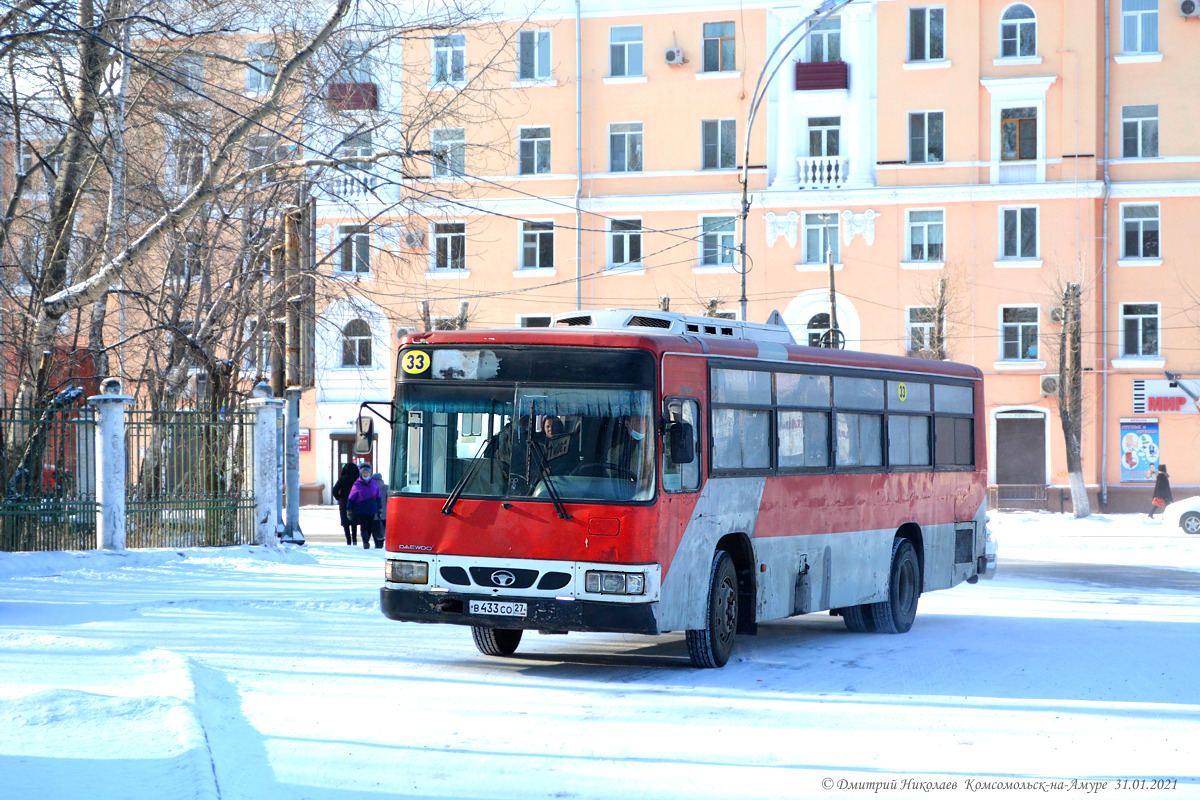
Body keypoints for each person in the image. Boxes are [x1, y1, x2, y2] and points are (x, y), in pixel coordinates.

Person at [348, 463, 383, 548]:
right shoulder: (357, 484)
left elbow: (378, 496)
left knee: (370, 526)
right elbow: (351, 497)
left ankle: (367, 539)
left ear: (370, 473)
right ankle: (365, 542)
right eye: (364, 473)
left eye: (367, 473)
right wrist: (349, 509)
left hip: (372, 508)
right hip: (361, 508)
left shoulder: (374, 483)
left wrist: (380, 507)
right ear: (361, 474)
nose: (366, 474)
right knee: (364, 525)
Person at [331, 461, 361, 545]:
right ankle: (354, 540)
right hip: (355, 502)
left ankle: (348, 540)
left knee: (345, 521)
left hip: (344, 501)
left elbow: (334, 490)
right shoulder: (357, 479)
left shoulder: (342, 479)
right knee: (354, 521)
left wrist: (338, 498)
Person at [371, 472, 388, 549]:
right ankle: (381, 542)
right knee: (383, 529)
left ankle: (376, 543)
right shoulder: (386, 488)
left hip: (373, 513)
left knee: (375, 529)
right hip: (385, 513)